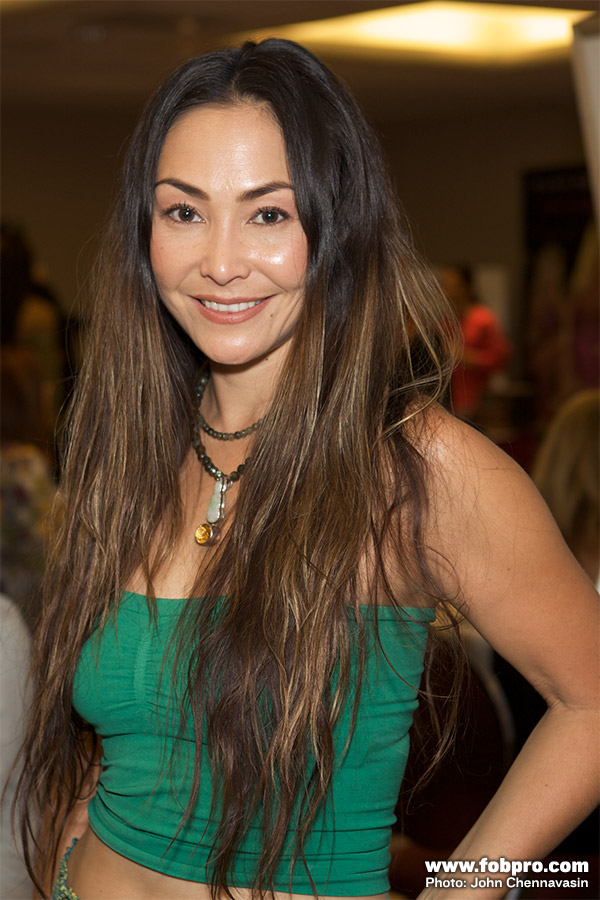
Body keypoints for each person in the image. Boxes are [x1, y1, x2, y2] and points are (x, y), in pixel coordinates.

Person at [13, 39, 598, 900]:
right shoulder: (135, 448)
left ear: (339, 228)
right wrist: (67, 845)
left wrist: (464, 886)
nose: (220, 260)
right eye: (183, 211)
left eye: (268, 214)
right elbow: (114, 734)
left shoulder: (416, 467)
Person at [440, 265, 510, 422]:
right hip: (452, 400)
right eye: (445, 286)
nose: (447, 292)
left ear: (466, 287)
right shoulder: (446, 321)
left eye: (452, 286)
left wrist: (466, 357)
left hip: (478, 400)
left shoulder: (483, 319)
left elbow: (501, 358)